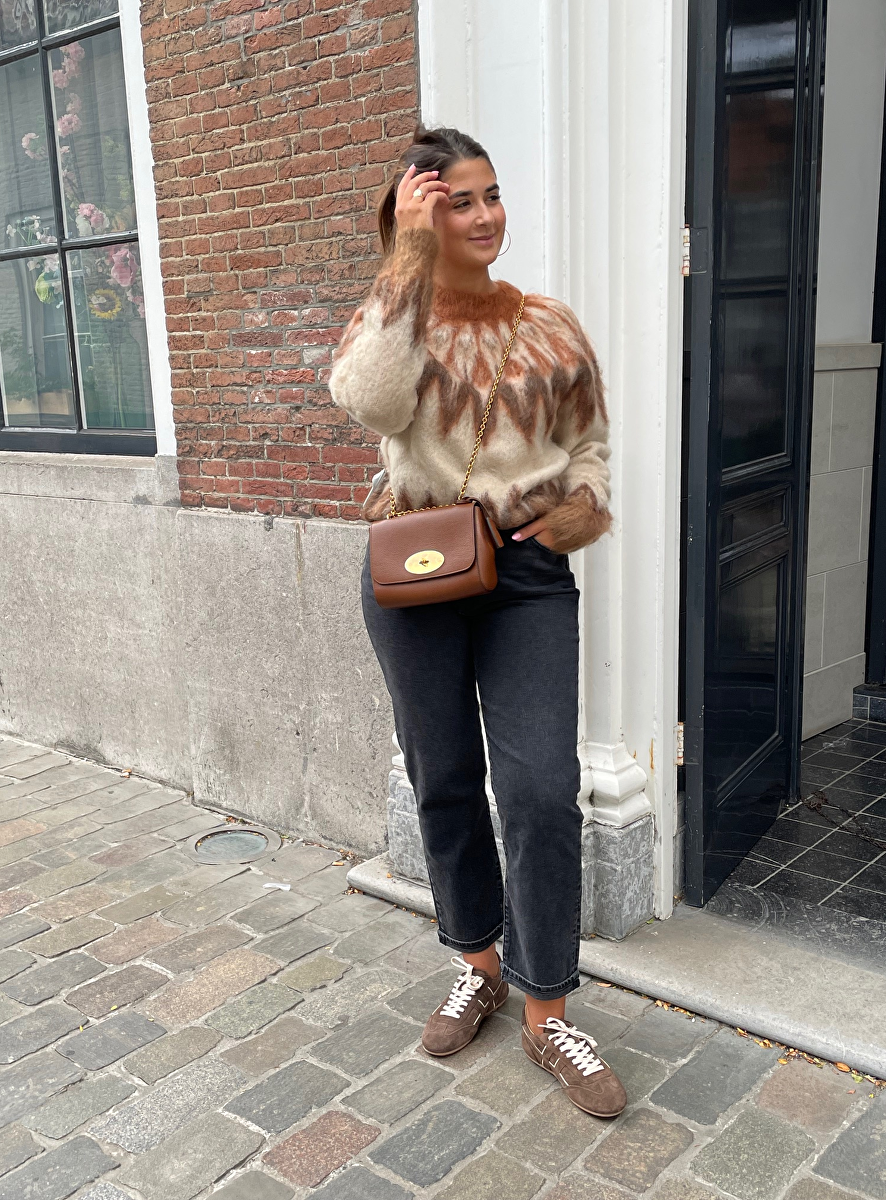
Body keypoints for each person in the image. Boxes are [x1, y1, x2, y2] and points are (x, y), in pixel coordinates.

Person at [329, 124, 626, 1119]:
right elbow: (371, 405)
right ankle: (478, 965)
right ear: (418, 216)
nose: (486, 215)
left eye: (490, 194)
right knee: (444, 778)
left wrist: (578, 510)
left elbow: (590, 438)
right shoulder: (393, 316)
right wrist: (406, 262)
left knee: (540, 791)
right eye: (458, 201)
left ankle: (548, 1011)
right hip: (416, 569)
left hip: (526, 577)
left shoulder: (550, 324)